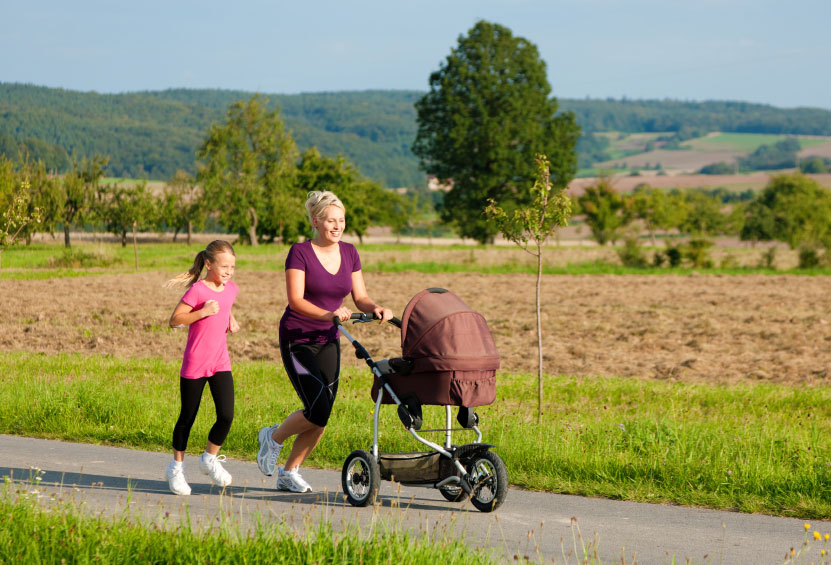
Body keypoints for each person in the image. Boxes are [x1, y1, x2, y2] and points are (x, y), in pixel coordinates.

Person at [256, 190, 392, 492]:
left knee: (323, 413)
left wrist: (376, 308)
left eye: (341, 220)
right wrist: (329, 312)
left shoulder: (350, 252)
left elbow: (360, 296)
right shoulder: (300, 252)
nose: (337, 226)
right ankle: (273, 438)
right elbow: (295, 300)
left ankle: (290, 472)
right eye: (331, 220)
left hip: (329, 339)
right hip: (298, 338)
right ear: (316, 221)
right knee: (316, 407)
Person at [164, 240, 240, 496]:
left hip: (220, 361)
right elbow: (175, 320)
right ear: (208, 264)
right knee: (188, 416)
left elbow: (225, 305)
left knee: (227, 415)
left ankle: (209, 458)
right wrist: (203, 312)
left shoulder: (231, 289)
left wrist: (230, 318)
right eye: (224, 266)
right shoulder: (197, 291)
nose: (229, 271)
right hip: (196, 361)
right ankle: (175, 468)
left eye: (232, 266)